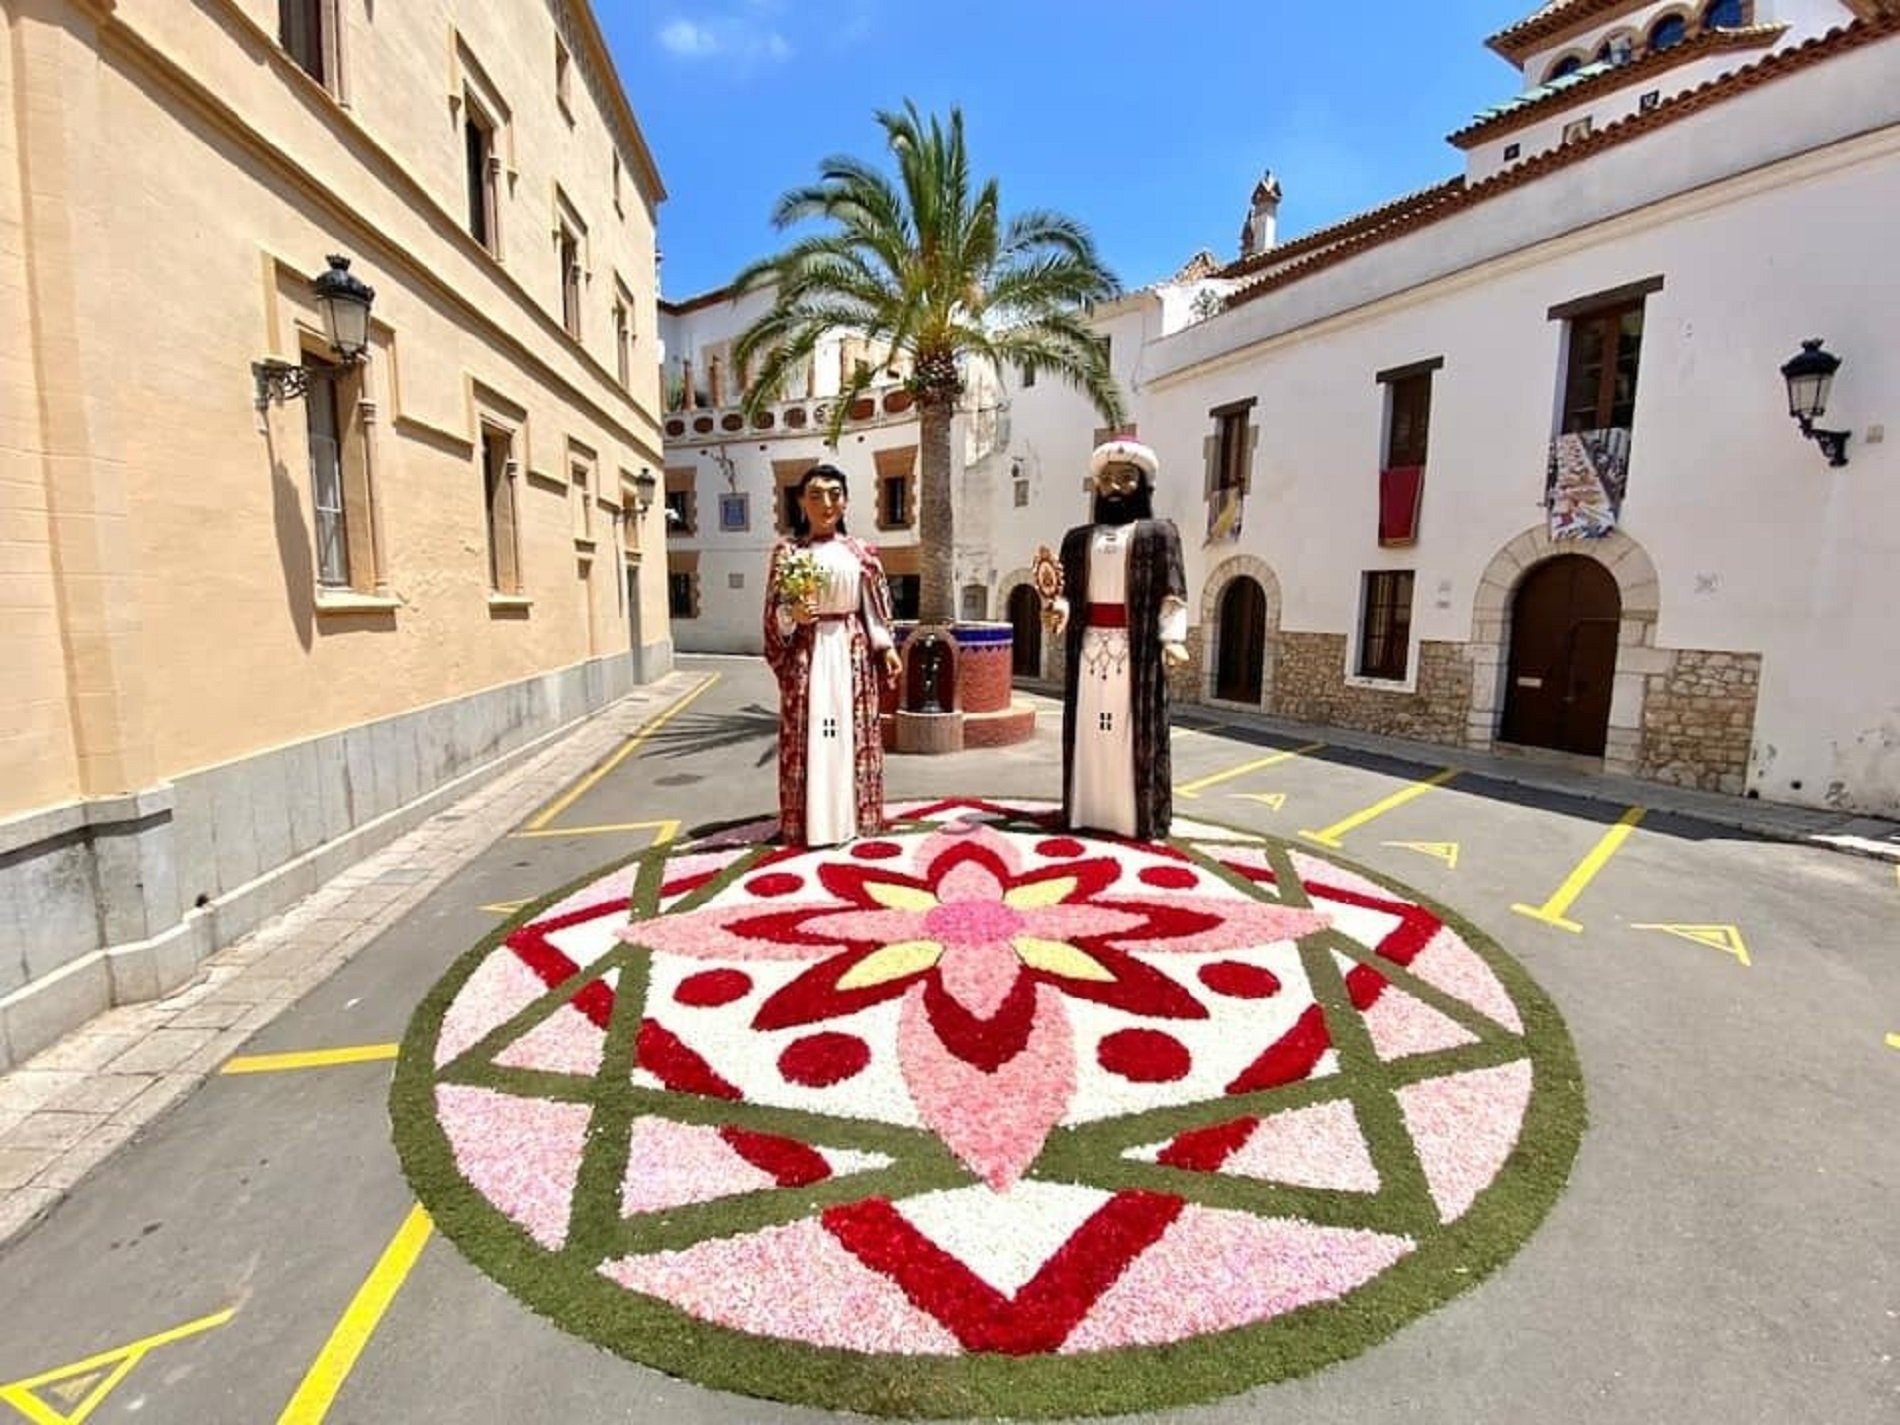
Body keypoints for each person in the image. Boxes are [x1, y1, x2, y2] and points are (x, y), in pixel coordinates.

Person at [1048, 439, 1189, 840]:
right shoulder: (1077, 539)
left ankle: (1133, 815)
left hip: (1136, 649)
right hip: (1090, 648)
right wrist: (1060, 610)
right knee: (1091, 728)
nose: (1114, 487)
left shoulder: (1159, 534)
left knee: (1132, 729)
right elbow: (1068, 592)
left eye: (1126, 478)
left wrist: (1172, 637)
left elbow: (1173, 592)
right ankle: (1086, 808)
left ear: (1143, 484)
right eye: (1106, 479)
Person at [763, 464, 903, 847]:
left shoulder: (861, 553)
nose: (826, 503)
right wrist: (793, 616)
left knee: (848, 733)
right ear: (800, 502)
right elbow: (774, 617)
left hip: (851, 654)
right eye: (815, 495)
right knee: (814, 735)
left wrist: (886, 647)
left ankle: (852, 818)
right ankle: (811, 821)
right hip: (808, 657)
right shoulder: (789, 552)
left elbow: (873, 609)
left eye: (834, 494)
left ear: (845, 500)